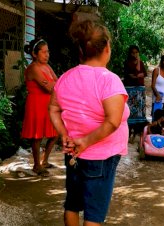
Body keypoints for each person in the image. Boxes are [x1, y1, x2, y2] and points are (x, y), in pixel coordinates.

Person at [48, 20, 130, 226]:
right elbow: (113, 121)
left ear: (81, 50)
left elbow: (53, 109)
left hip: (72, 152)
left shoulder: (65, 78)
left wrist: (63, 134)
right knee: (94, 213)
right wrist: (86, 141)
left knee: (73, 204)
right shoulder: (109, 80)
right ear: (107, 49)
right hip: (101, 156)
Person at [21, 38, 58, 176]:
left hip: (48, 103)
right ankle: (37, 165)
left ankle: (45, 161)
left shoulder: (47, 66)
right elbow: (50, 87)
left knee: (55, 134)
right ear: (35, 54)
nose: (47, 55)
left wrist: (53, 84)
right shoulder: (34, 68)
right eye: (44, 52)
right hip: (36, 104)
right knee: (37, 136)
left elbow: (56, 82)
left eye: (48, 52)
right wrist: (53, 84)